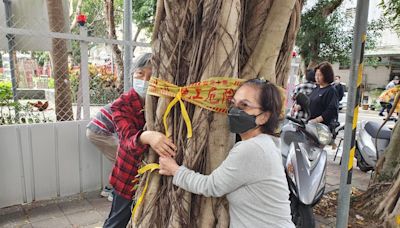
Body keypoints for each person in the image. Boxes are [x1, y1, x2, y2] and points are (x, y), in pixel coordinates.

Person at [159, 79, 295, 228]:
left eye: (244, 105)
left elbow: (210, 186)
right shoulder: (266, 143)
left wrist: (174, 170)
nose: (235, 111)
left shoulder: (252, 149)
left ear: (264, 117)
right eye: (233, 103)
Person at [103, 53, 177, 228]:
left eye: (151, 76)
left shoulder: (168, 102)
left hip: (158, 176)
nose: (145, 80)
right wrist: (149, 136)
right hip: (128, 176)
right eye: (140, 74)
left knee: (149, 217)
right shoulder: (121, 104)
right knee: (118, 220)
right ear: (132, 75)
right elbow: (127, 140)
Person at [86, 103, 118, 201]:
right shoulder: (124, 106)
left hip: (95, 131)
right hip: (99, 133)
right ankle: (114, 192)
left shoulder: (120, 103)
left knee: (118, 160)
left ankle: (108, 189)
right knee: (122, 161)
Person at [308, 62, 339, 127]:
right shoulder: (316, 88)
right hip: (311, 124)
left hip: (323, 127)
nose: (317, 77)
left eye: (320, 75)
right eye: (316, 75)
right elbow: (309, 101)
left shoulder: (331, 90)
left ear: (326, 75)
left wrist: (316, 120)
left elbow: (331, 110)